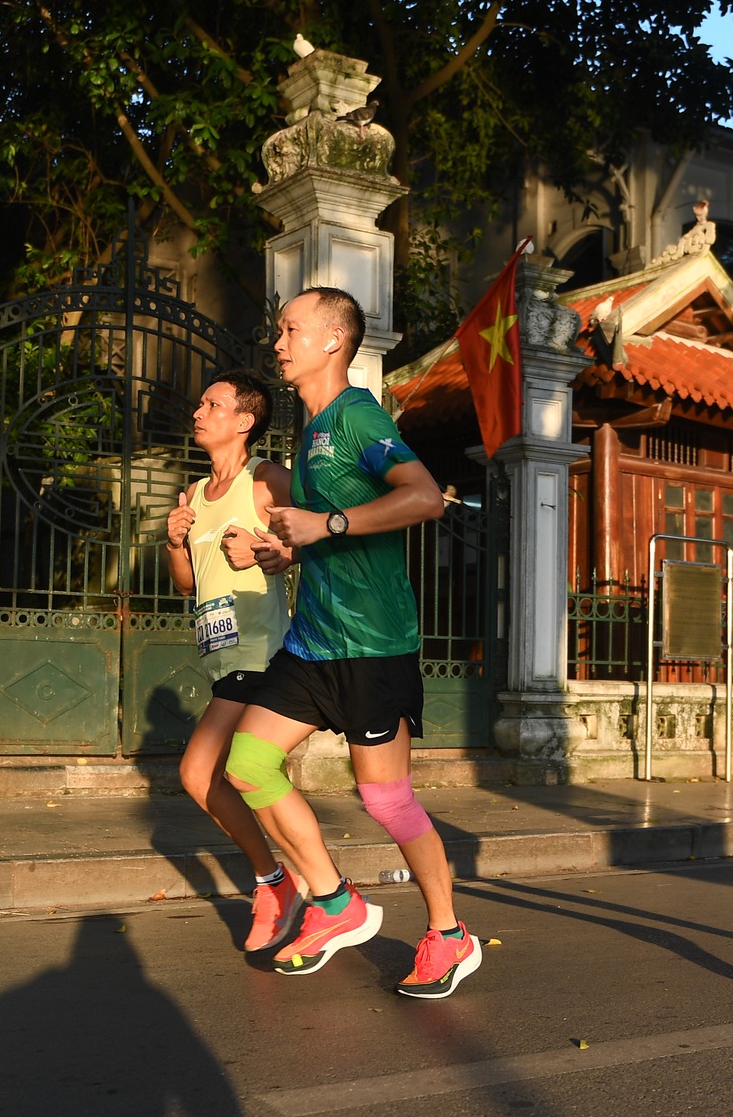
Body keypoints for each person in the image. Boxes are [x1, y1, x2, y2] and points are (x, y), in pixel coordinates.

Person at [224, 286, 481, 1000]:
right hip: (314, 641)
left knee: (387, 800)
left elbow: (425, 498)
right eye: (278, 330)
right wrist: (282, 551)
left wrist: (325, 525)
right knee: (248, 763)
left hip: (373, 643)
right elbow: (323, 538)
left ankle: (449, 934)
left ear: (334, 339)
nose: (278, 342)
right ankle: (336, 901)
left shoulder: (358, 415)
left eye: (291, 329)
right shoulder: (309, 432)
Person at [163, 369, 300, 953]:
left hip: (262, 652)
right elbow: (186, 584)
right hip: (219, 656)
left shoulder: (265, 479)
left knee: (199, 773)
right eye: (199, 404)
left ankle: (279, 883)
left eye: (212, 404)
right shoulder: (194, 495)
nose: (198, 412)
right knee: (247, 776)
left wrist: (274, 550)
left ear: (244, 421)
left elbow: (316, 538)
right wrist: (174, 542)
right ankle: (310, 884)